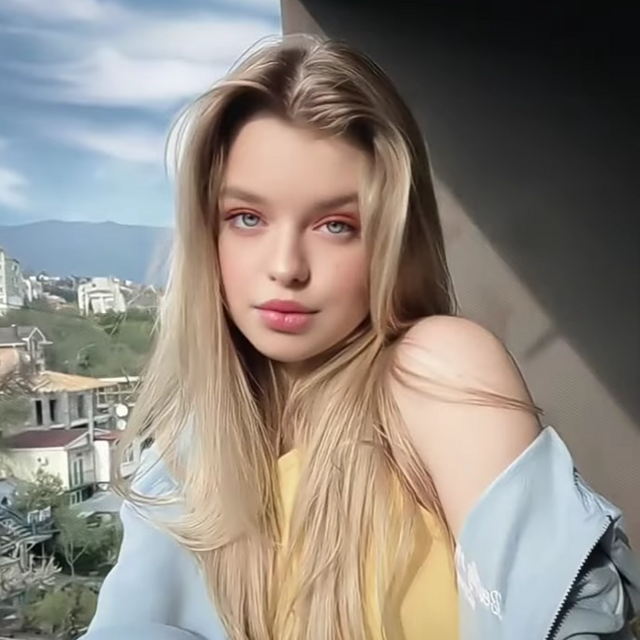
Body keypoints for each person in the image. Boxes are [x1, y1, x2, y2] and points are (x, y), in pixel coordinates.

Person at [80, 35, 640, 640]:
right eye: (247, 218)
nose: (286, 267)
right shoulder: (182, 458)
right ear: (206, 234)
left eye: (336, 225)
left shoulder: (436, 369)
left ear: (391, 239)